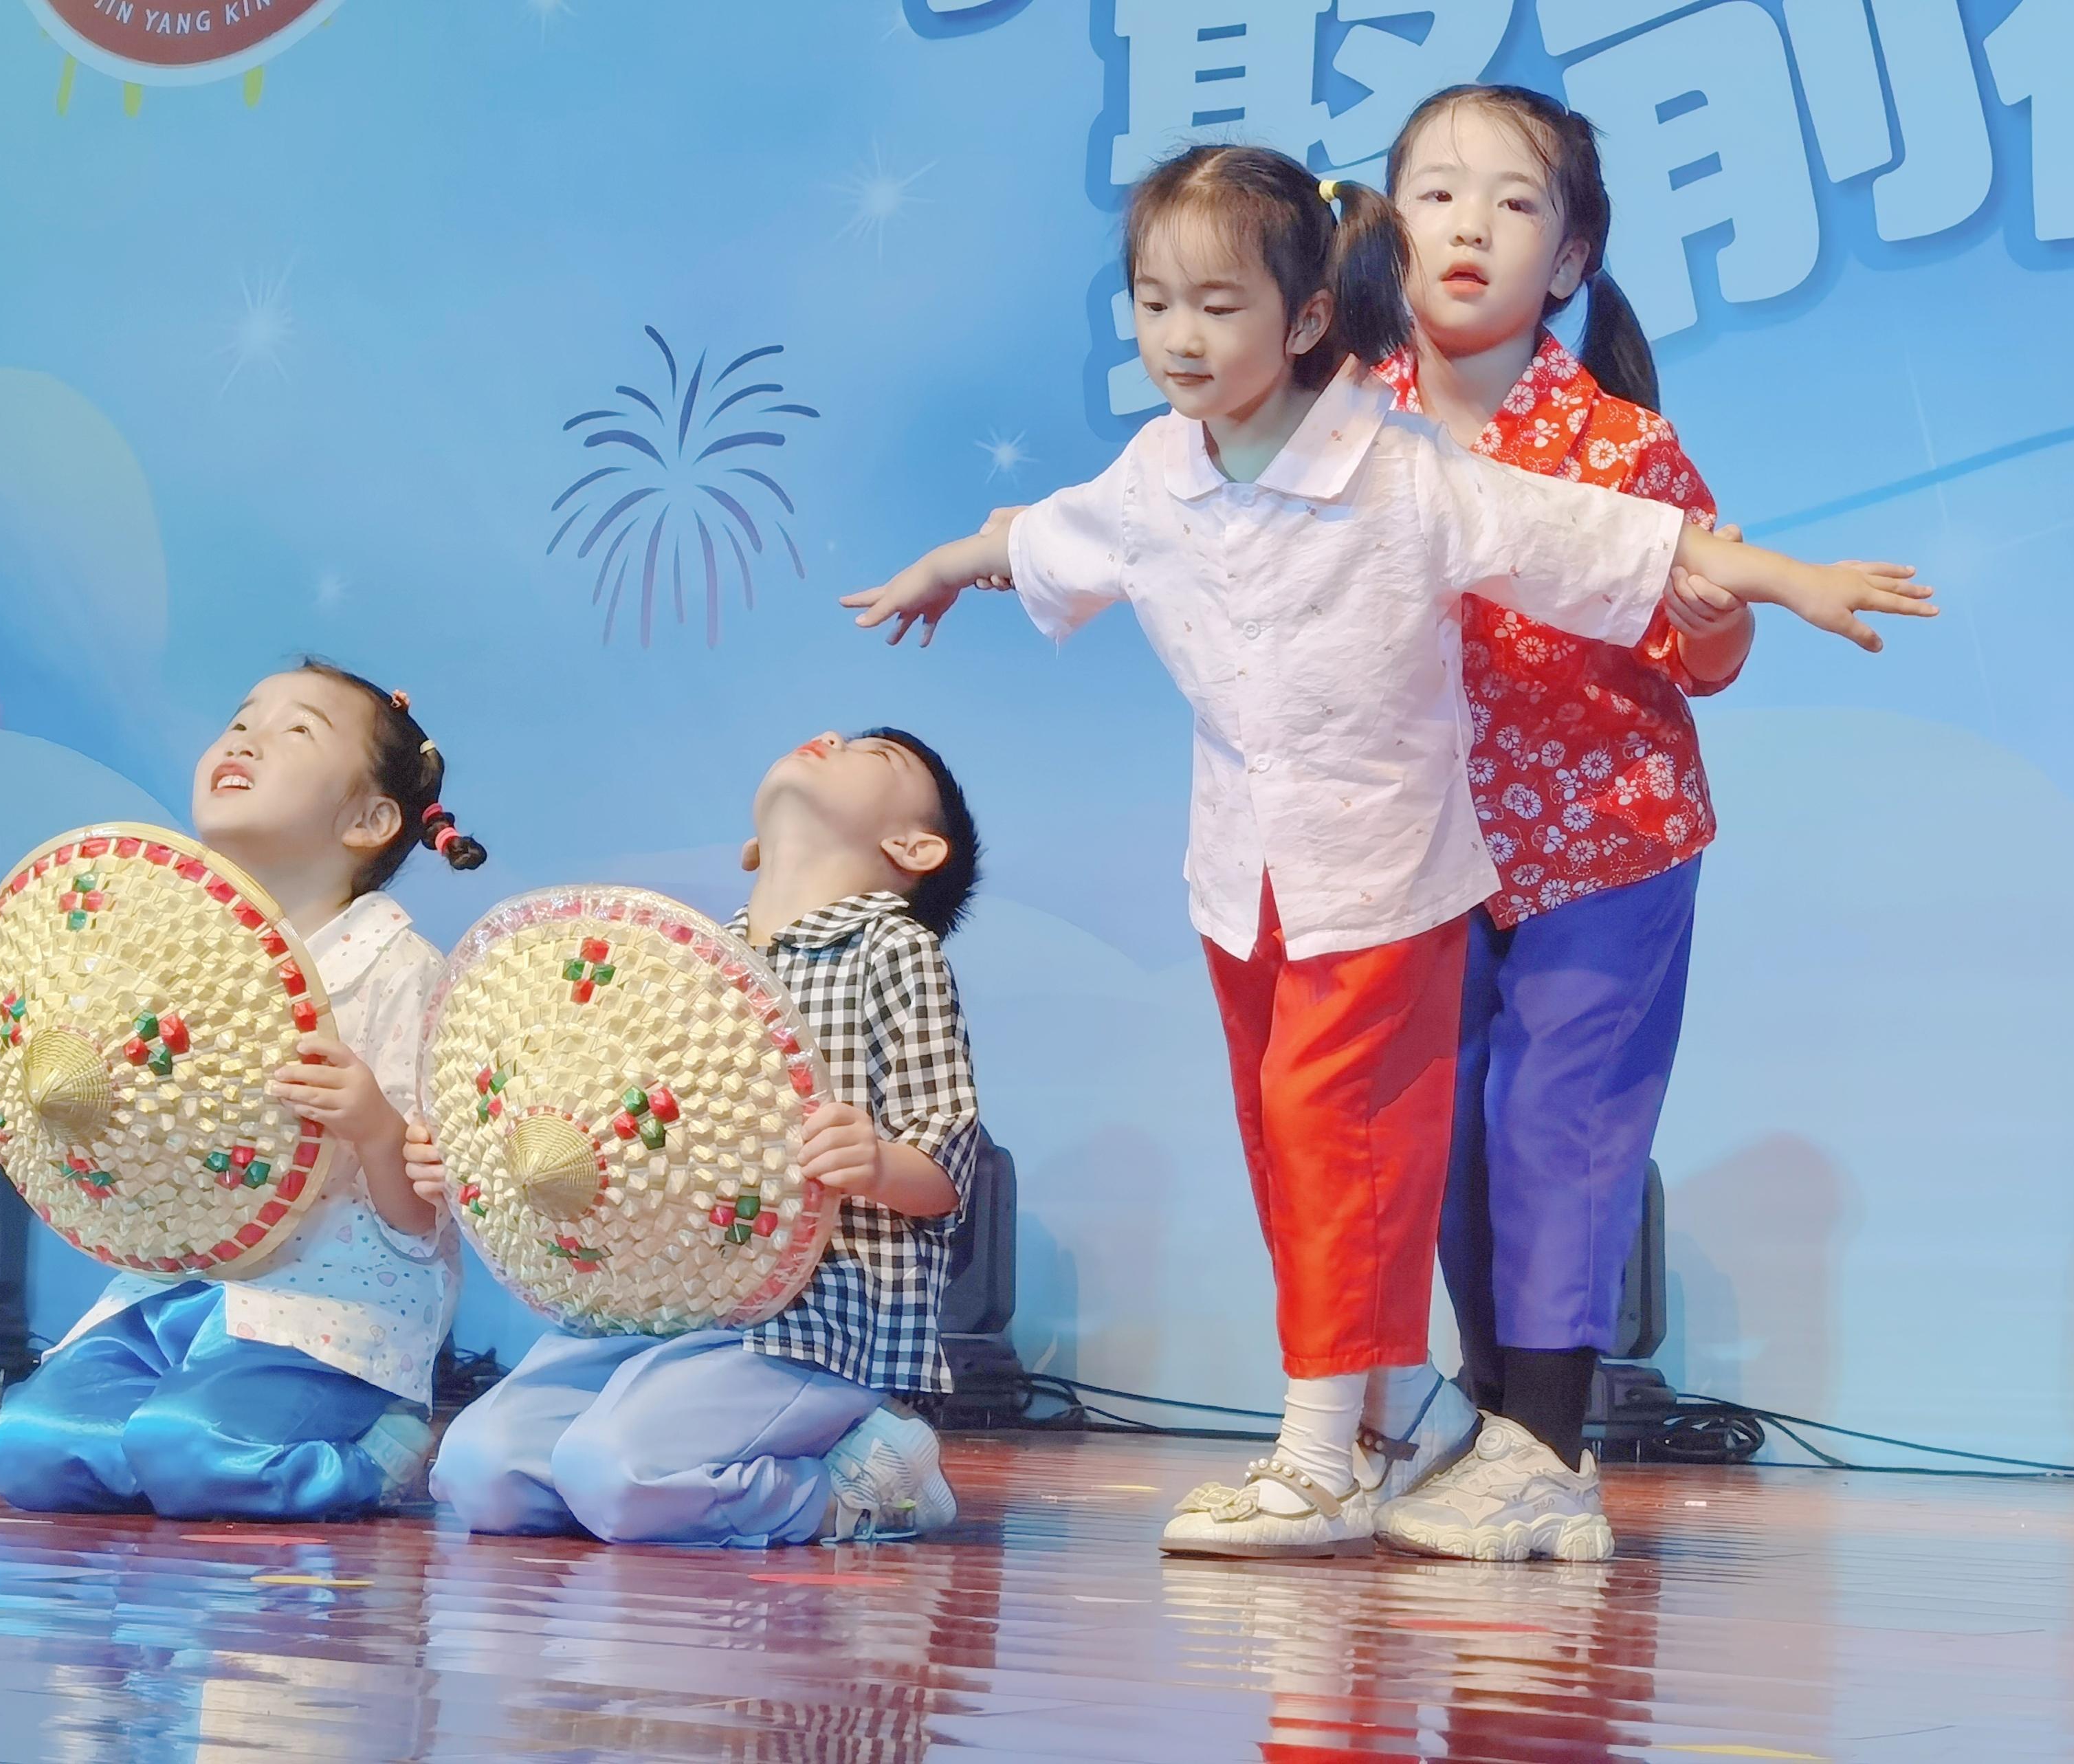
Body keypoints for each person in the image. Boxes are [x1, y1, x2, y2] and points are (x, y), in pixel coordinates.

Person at [844, 142, 1935, 1558]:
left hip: (1411, 869)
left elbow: (1620, 541)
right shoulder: (1162, 466)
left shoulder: (1403, 469)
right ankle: (1403, 1406)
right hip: (1244, 879)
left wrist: (1787, 579)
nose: (1179, 336)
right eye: (1154, 304)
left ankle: (1333, 1458)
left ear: (1305, 315)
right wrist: (944, 566)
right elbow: (1047, 536)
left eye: (1216, 305)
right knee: (1289, 1146)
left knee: (1352, 1139)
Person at [1368, 85, 1758, 1565]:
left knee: (1553, 1124)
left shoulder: (1620, 442)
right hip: (1418, 844)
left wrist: (1710, 616)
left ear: (1571, 256)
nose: (1467, 223)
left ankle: (1543, 1443)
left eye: (1513, 200)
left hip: (1604, 837)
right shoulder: (1340, 427)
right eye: (1433, 192)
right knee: (1444, 1136)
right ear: (1384, 230)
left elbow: (1703, 653)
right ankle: (1500, 1432)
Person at [0, 662, 485, 1519]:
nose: (246, 739)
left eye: (296, 729)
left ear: (370, 820)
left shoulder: (397, 970)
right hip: (171, 1293)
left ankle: (378, 1447)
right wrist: (16, 1112)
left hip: (326, 1312)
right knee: (28, 1453)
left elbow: (425, 1220)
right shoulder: (160, 958)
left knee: (192, 1449)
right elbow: (134, 1150)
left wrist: (376, 1128)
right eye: (240, 719)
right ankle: (170, 1436)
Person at [423, 728, 984, 1547]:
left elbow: (947, 1160)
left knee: (616, 1473)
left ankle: (859, 1488)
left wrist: (876, 1164)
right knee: (480, 1473)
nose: (829, 739)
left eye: (873, 754)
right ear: (753, 846)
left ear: (914, 847)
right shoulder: (690, 962)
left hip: (808, 1322)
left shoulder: (892, 949)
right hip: (667, 1303)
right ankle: (673, 1457)